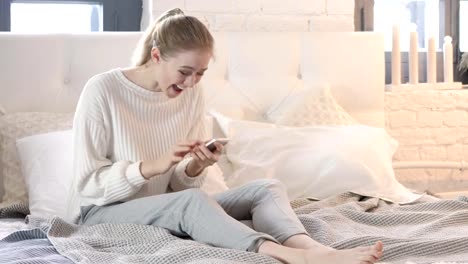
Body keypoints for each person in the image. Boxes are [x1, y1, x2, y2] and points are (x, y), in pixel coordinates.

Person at [66, 8, 383, 264]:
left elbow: (179, 186)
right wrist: (150, 166)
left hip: (165, 204)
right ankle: (288, 256)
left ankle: (312, 248)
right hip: (102, 213)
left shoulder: (190, 95)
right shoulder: (103, 90)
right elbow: (87, 184)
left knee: (265, 188)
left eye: (200, 74)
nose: (191, 83)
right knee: (190, 203)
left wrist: (194, 167)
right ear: (157, 55)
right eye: (185, 72)